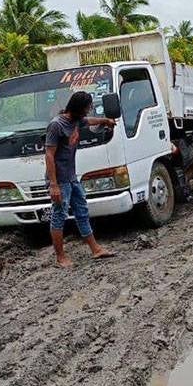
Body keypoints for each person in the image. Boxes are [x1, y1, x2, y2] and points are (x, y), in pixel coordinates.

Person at [44, 91, 117, 267]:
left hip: (71, 177)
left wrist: (105, 121)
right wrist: (53, 185)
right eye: (87, 107)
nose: (89, 110)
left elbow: (90, 121)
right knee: (59, 215)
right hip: (60, 180)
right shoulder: (56, 125)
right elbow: (48, 155)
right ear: (78, 107)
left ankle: (96, 250)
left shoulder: (77, 120)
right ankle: (60, 257)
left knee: (82, 211)